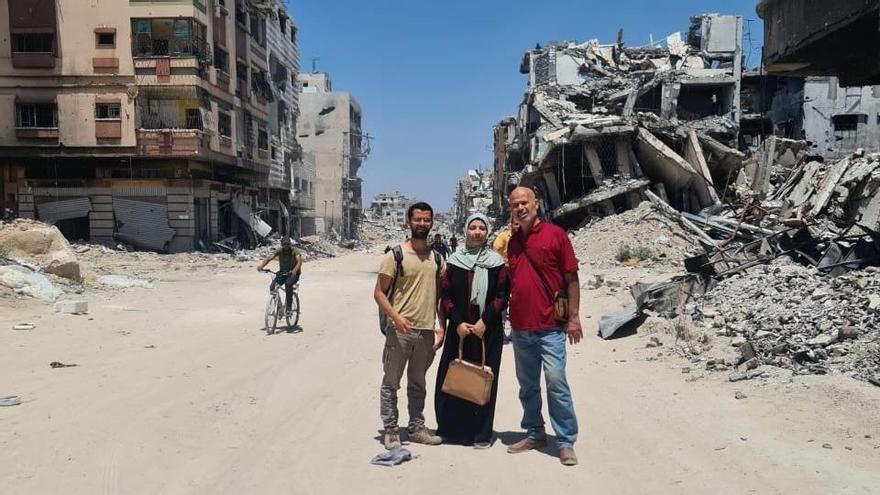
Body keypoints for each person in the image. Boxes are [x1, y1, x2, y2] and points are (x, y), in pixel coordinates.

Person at [505, 187, 583, 466]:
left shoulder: (556, 235)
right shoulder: (512, 242)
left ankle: (565, 441)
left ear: (536, 204)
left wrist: (573, 317)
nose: (520, 207)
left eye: (524, 202)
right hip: (521, 328)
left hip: (551, 327)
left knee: (556, 382)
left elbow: (571, 278)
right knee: (527, 386)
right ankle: (535, 432)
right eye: (515, 204)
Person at [373, 202, 446, 450]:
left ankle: (416, 428)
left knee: (418, 383)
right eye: (418, 220)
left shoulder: (437, 258)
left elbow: (440, 298)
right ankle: (391, 430)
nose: (422, 224)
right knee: (391, 382)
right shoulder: (395, 256)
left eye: (427, 220)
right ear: (409, 221)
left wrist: (441, 326)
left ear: (431, 223)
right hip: (400, 331)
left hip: (426, 333)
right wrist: (396, 317)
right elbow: (379, 293)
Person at [435, 213, 509, 448]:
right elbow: (446, 296)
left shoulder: (497, 263)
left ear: (487, 233)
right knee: (454, 375)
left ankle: (481, 433)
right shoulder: (454, 262)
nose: (477, 232)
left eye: (481, 228)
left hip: (487, 331)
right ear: (466, 231)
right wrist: (457, 323)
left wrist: (484, 322)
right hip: (460, 330)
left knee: (484, 378)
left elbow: (502, 296)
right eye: (473, 228)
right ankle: (451, 430)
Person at [257, 236, 303, 315]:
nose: (286, 246)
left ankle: (289, 308)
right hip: (283, 272)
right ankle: (278, 306)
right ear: (281, 245)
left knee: (288, 284)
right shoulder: (279, 251)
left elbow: (299, 262)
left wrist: (294, 271)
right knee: (272, 287)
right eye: (284, 244)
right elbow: (269, 258)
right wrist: (262, 266)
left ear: (290, 244)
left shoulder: (294, 250)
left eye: (288, 244)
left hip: (293, 273)